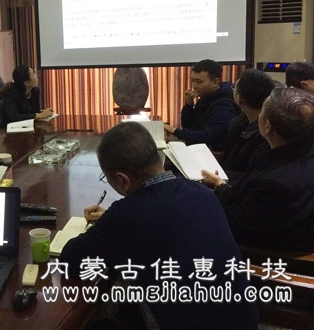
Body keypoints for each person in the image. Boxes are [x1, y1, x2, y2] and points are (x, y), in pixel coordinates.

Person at [60, 122, 258, 330]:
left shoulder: (127, 215)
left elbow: (71, 261)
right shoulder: (201, 192)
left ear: (122, 180)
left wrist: (112, 224)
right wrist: (114, 223)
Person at [202, 87, 314, 252]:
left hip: (269, 253)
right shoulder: (299, 153)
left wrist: (220, 188)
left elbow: (238, 225)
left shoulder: (273, 184)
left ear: (267, 126)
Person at [164, 59, 239, 151]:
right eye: (192, 81)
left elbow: (206, 137)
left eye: (199, 82)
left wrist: (173, 130)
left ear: (215, 82)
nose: (194, 86)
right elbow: (189, 127)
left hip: (215, 154)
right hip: (201, 149)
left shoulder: (224, 106)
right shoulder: (206, 96)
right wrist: (189, 106)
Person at [220, 68, 276, 177]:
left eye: (234, 88)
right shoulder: (238, 122)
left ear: (239, 99)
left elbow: (253, 176)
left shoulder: (268, 132)